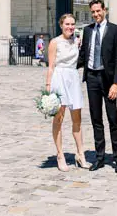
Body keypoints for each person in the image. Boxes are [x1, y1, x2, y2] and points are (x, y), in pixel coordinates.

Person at [77, 0, 117, 173]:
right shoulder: (87, 30)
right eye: (93, 12)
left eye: (98, 11)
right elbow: (83, 55)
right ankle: (99, 157)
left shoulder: (115, 30)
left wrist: (116, 83)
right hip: (92, 78)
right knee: (96, 119)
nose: (96, 14)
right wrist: (65, 65)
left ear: (104, 10)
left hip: (107, 79)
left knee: (112, 119)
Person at [45, 14, 86, 172]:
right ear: (61, 25)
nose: (70, 27)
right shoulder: (55, 42)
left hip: (73, 77)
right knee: (59, 118)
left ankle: (80, 154)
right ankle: (60, 155)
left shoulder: (76, 41)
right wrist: (48, 86)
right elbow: (51, 66)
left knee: (77, 118)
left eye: (72, 24)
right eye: (67, 24)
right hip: (59, 77)